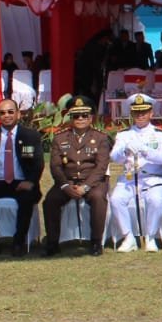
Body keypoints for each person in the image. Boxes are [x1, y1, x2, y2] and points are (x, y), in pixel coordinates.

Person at [0, 97, 44, 257]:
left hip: (22, 182)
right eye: (2, 113)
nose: (7, 116)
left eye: (10, 112)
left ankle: (18, 242)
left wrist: (30, 181)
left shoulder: (30, 136)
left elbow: (38, 163)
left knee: (26, 199)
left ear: (18, 114)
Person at [42, 96, 113, 256]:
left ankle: (96, 242)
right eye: (76, 115)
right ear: (71, 117)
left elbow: (101, 167)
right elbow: (55, 166)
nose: (80, 119)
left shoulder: (100, 137)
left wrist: (85, 187)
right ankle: (52, 242)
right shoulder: (60, 138)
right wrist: (65, 186)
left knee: (98, 198)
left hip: (93, 182)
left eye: (84, 115)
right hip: (68, 181)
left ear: (91, 117)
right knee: (50, 200)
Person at [108, 93, 162, 251]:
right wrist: (124, 150)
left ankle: (151, 236)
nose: (140, 115)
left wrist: (146, 150)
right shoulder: (124, 135)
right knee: (116, 199)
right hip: (130, 179)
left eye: (144, 112)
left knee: (156, 200)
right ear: (132, 114)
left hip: (153, 179)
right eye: (137, 112)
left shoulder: (161, 134)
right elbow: (114, 157)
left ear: (151, 113)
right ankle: (128, 237)